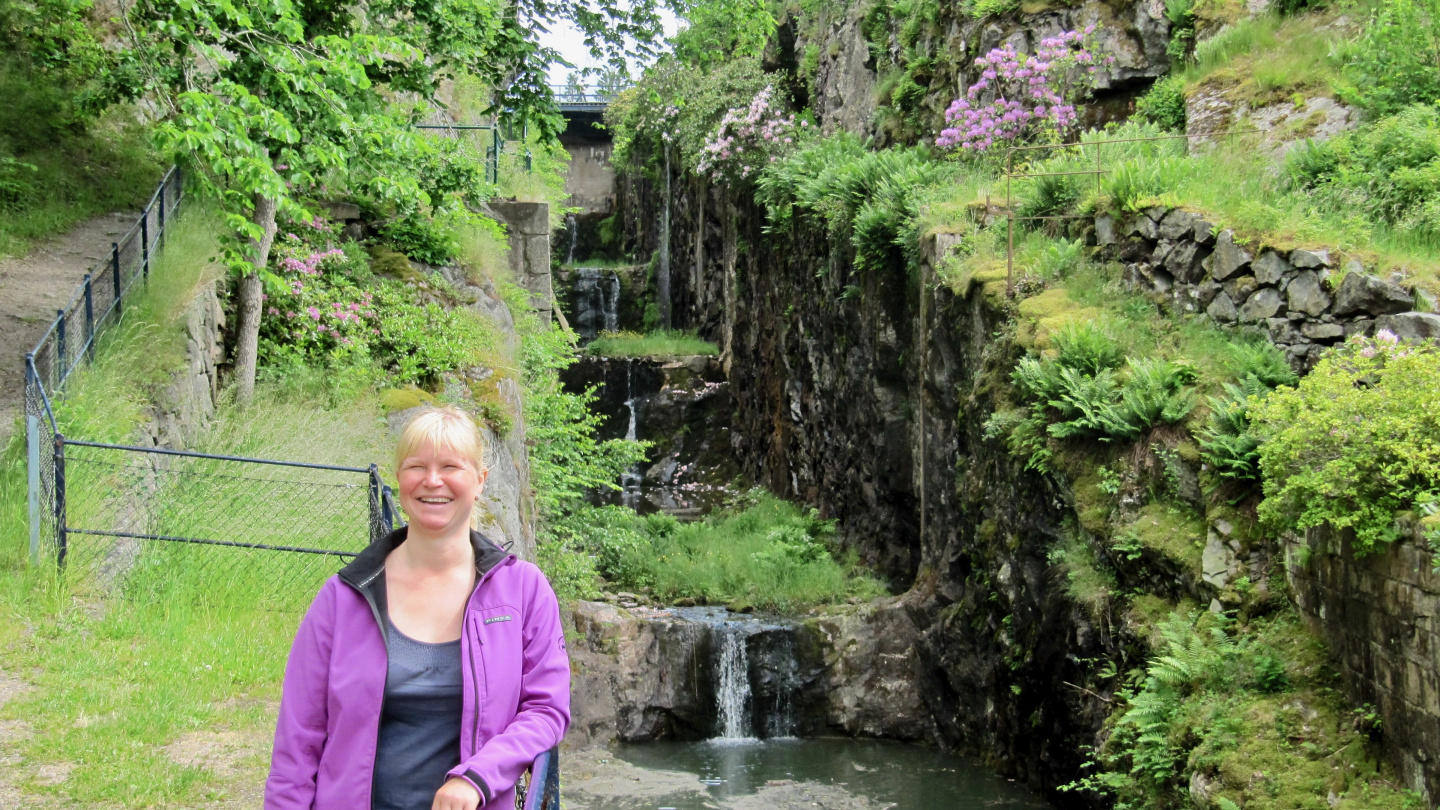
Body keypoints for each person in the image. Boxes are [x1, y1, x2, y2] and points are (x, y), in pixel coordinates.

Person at [264, 406, 570, 810]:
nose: (432, 481)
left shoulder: (524, 591)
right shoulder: (343, 597)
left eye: (450, 466)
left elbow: (546, 709)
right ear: (399, 478)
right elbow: (297, 743)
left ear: (480, 481)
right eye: (416, 466)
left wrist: (478, 777)